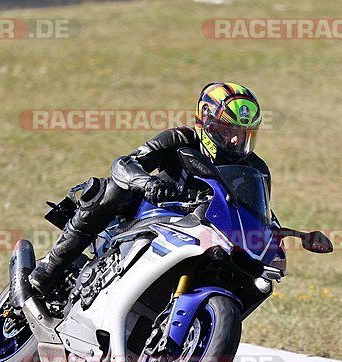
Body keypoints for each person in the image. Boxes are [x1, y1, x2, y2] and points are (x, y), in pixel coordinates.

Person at [29, 82, 271, 295]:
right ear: (207, 123)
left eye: (243, 133)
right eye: (229, 131)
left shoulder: (255, 168)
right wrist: (149, 183)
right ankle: (50, 267)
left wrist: (280, 235)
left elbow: (258, 213)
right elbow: (125, 164)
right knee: (112, 189)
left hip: (205, 233)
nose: (236, 141)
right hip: (149, 216)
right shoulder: (181, 138)